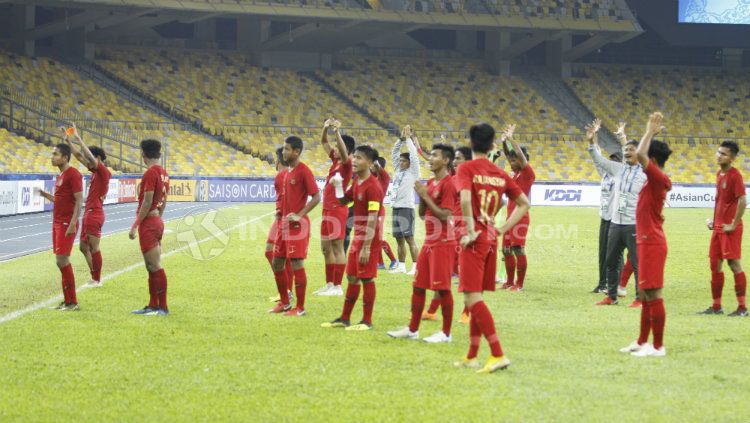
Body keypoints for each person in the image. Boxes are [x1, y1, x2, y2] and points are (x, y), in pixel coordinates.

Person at [454, 123, 530, 373]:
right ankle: (472, 355)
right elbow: (524, 203)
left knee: (472, 298)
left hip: (475, 238)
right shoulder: (499, 173)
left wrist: (469, 230)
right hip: (490, 237)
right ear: (492, 146)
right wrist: (502, 228)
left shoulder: (466, 168)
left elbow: (465, 198)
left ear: (470, 143)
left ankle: (497, 353)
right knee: (478, 295)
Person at [387, 143, 457, 343]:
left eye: (434, 155)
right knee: (418, 286)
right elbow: (422, 215)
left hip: (444, 242)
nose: (430, 158)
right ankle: (412, 329)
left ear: (445, 160)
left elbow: (446, 215)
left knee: (442, 289)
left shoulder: (449, 184)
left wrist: (426, 195)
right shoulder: (432, 183)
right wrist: (422, 197)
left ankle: (446, 333)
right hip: (429, 242)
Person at [620, 112, 671, 357]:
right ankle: (642, 341)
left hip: (652, 242)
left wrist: (649, 131)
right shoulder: (653, 180)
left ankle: (658, 346)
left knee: (653, 293)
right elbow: (639, 156)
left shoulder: (658, 177)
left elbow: (640, 155)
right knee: (645, 293)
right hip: (646, 240)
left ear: (652, 158)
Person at [321, 145, 384, 331]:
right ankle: (345, 318)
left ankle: (366, 321)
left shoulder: (373, 186)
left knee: (366, 278)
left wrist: (366, 247)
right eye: (354, 157)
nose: (354, 161)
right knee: (352, 276)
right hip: (358, 235)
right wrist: (339, 186)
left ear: (370, 163)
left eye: (359, 158)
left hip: (369, 239)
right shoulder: (357, 182)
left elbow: (373, 216)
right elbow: (343, 201)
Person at [587, 118, 646, 307]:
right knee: (611, 261)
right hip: (615, 223)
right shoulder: (618, 170)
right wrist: (591, 142)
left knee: (637, 263)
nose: (627, 152)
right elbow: (598, 159)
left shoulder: (644, 172)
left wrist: (623, 137)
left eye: (631, 150)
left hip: (633, 224)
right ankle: (611, 297)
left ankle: (639, 298)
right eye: (626, 150)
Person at [269, 136, 321, 316]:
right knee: (277, 262)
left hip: (297, 226)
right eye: (283, 149)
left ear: (296, 151)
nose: (283, 152)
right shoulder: (286, 173)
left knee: (297, 263)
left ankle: (300, 308)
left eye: (286, 149)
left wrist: (299, 215)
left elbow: (316, 197)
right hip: (283, 224)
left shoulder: (304, 171)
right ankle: (284, 302)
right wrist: (279, 210)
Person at [59, 124, 111, 288]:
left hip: (94, 213)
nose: (87, 162)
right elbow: (80, 156)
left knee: (94, 247)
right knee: (83, 247)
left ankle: (96, 279)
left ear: (99, 160)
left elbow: (86, 155)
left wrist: (79, 137)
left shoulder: (103, 171)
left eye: (92, 159)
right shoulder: (96, 173)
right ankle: (94, 276)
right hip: (90, 213)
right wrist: (68, 140)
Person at [700, 140, 747, 316]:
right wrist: (714, 222)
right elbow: (721, 201)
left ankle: (742, 308)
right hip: (718, 228)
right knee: (715, 265)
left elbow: (743, 200)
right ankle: (716, 306)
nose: (719, 156)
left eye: (724, 154)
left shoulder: (735, 175)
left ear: (733, 158)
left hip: (730, 229)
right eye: (718, 152)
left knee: (734, 264)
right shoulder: (719, 173)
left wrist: (733, 224)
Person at [36, 143, 83, 311]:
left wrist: (72, 223)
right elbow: (60, 200)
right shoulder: (61, 176)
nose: (52, 157)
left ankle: (72, 302)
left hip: (66, 223)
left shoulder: (73, 174)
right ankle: (68, 300)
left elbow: (79, 200)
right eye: (52, 154)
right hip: (57, 223)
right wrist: (44, 194)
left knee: (62, 260)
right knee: (60, 261)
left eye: (56, 154)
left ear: (65, 157)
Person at [129, 139, 170, 316]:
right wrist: (158, 219)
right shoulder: (164, 173)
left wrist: (135, 225)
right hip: (156, 221)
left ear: (143, 155)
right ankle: (153, 305)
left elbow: (146, 202)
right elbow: (164, 200)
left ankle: (163, 307)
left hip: (149, 223)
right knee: (151, 266)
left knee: (155, 266)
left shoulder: (150, 173)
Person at [315, 119, 355, 297]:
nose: (335, 150)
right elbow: (324, 142)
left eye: (339, 147)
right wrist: (325, 128)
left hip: (338, 209)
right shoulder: (335, 161)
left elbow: (344, 153)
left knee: (338, 247)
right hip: (327, 209)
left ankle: (338, 287)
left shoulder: (347, 164)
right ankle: (329, 284)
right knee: (326, 248)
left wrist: (337, 131)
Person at [587, 120, 626, 295]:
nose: (610, 163)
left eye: (614, 160)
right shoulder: (605, 174)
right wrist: (593, 139)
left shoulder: (622, 174)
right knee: (603, 252)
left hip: (616, 219)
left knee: (615, 254)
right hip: (604, 217)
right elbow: (597, 157)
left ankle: (617, 284)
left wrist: (622, 138)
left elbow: (630, 158)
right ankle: (603, 282)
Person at [499, 124, 534, 292]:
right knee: (506, 250)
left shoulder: (527, 173)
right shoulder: (514, 174)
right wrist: (505, 142)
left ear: (523, 160)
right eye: (511, 161)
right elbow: (508, 154)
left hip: (521, 217)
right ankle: (509, 282)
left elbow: (519, 154)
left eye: (515, 161)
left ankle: (519, 284)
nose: (511, 163)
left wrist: (512, 138)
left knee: (517, 248)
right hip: (509, 217)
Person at [389, 125, 421, 275]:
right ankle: (401, 266)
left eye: (403, 161)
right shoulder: (397, 170)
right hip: (395, 207)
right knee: (399, 239)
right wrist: (400, 140)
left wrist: (408, 140)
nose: (400, 162)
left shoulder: (413, 172)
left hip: (407, 208)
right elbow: (394, 153)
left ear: (409, 163)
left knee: (409, 239)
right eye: (400, 161)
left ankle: (415, 266)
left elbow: (414, 156)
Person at [266, 147, 294, 304]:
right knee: (282, 256)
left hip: (283, 219)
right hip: (284, 217)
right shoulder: (287, 174)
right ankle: (286, 291)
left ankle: (286, 291)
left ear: (278, 160)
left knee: (272, 252)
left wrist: (280, 211)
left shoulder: (281, 176)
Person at [371, 156, 398, 271]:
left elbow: (376, 165)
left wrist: (372, 157)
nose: (370, 167)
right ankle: (380, 264)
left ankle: (393, 260)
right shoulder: (372, 177)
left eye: (372, 165)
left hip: (379, 211)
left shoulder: (384, 178)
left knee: (378, 238)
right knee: (373, 238)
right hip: (371, 210)